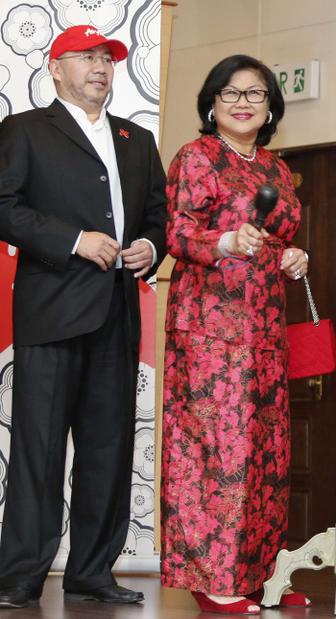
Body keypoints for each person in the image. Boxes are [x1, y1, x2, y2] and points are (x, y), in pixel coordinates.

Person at [0, 25, 166, 608]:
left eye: (107, 58)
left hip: (117, 312)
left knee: (108, 449)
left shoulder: (136, 139)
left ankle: (92, 572)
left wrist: (150, 246)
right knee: (39, 450)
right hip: (51, 312)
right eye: (86, 57)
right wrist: (74, 240)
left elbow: (157, 215)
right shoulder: (24, 129)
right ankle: (19, 577)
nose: (100, 67)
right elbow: (4, 206)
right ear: (55, 67)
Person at [159, 54, 310, 615]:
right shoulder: (197, 157)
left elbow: (276, 235)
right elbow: (178, 233)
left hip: (265, 326)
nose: (243, 103)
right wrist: (225, 242)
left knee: (266, 455)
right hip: (209, 329)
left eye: (255, 93)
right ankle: (213, 579)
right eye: (231, 92)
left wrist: (291, 255)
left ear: (271, 107)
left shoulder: (275, 167)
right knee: (218, 454)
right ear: (211, 104)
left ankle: (261, 576)